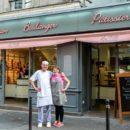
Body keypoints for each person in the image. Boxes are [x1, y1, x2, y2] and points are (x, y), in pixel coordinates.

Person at [29, 61, 53, 128]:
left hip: (48, 93)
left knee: (49, 109)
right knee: (40, 109)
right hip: (41, 93)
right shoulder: (38, 72)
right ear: (41, 65)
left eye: (46, 65)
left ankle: (48, 122)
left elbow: (57, 77)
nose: (45, 66)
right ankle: (40, 122)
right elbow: (31, 80)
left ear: (47, 66)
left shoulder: (50, 73)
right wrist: (35, 88)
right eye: (43, 65)